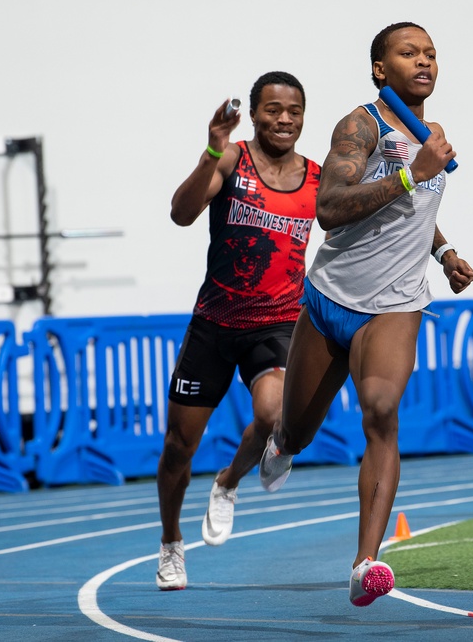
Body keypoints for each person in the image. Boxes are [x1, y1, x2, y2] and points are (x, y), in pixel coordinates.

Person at [258, 21, 473, 606]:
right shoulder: (361, 126)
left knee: (381, 411)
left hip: (398, 303)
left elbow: (415, 213)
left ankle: (365, 564)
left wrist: (445, 252)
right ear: (381, 69)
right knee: (299, 430)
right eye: (409, 53)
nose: (424, 61)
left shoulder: (429, 135)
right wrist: (413, 172)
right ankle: (280, 441)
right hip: (332, 301)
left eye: (430, 53)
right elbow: (329, 208)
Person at [155, 71, 320, 590]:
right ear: (254, 114)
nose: (284, 119)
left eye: (293, 110)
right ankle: (170, 543)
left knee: (274, 415)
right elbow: (182, 214)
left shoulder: (318, 178)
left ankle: (228, 482)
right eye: (273, 109)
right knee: (179, 447)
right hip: (214, 324)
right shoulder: (232, 159)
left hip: (274, 325)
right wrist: (211, 148)